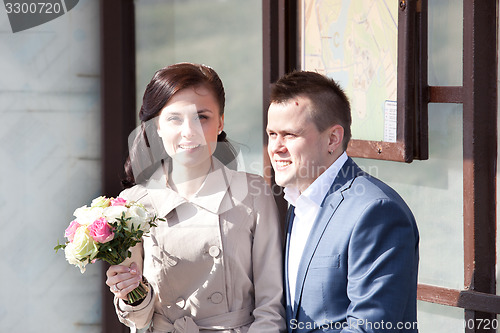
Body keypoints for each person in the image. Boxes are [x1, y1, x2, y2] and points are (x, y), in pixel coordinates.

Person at [105, 63, 286, 333]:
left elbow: (271, 306)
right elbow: (138, 320)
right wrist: (132, 293)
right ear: (157, 127)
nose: (190, 131)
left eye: (202, 117)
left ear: (221, 121)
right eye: (175, 118)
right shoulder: (134, 203)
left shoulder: (253, 193)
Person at [265, 70, 419, 333]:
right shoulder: (297, 203)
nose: (276, 147)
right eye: (271, 134)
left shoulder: (377, 212)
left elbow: (371, 328)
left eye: (289, 135)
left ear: (333, 139)